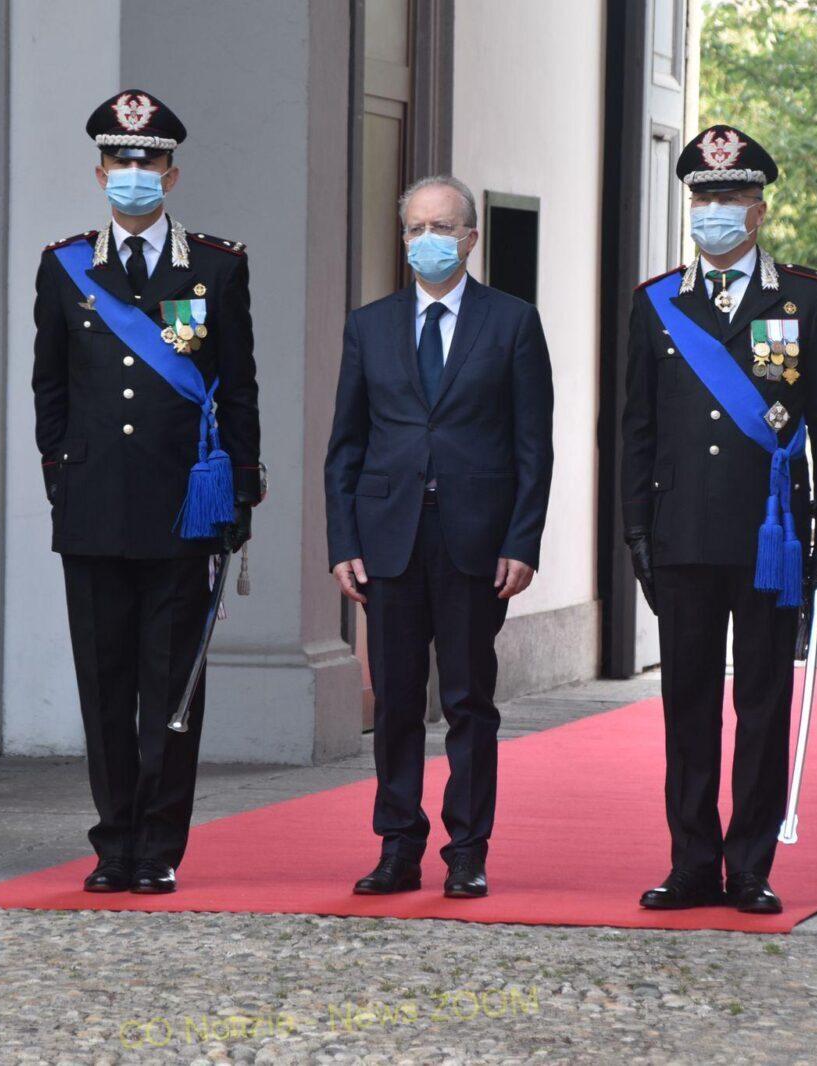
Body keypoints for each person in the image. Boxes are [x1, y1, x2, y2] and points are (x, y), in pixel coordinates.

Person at [32, 89, 263, 895]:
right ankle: (112, 842)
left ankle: (160, 845)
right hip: (94, 508)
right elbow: (50, 391)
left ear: (172, 172)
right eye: (121, 160)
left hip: (183, 508)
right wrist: (62, 475)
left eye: (149, 161)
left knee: (171, 691)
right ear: (100, 170)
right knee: (104, 688)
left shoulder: (216, 266)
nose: (135, 173)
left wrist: (238, 490)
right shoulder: (66, 267)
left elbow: (238, 390)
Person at [622, 125, 817, 914]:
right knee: (687, 704)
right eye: (703, 196)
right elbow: (636, 427)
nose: (713, 209)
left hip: (772, 538)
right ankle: (691, 863)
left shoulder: (805, 299)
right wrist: (635, 532)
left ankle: (749, 865)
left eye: (729, 196)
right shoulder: (658, 303)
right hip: (683, 532)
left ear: (758, 209)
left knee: (761, 703)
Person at [325, 174, 554, 900]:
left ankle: (467, 850)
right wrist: (342, 542)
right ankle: (397, 845)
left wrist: (523, 542)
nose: (429, 241)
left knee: (467, 700)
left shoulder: (512, 323)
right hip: (388, 538)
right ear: (403, 240)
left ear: (471, 237)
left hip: (474, 542)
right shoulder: (369, 325)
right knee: (394, 700)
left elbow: (533, 446)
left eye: (443, 228)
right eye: (416, 229)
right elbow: (346, 446)